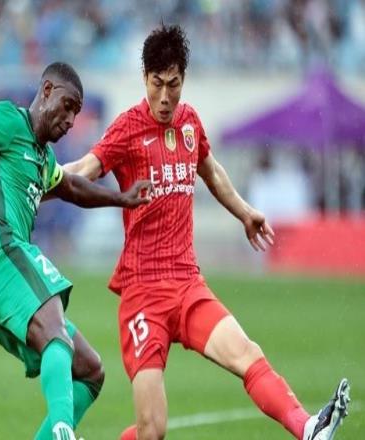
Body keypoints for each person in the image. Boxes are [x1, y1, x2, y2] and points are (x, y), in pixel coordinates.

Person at [63, 25, 350, 440]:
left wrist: (245, 212)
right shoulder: (127, 128)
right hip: (143, 293)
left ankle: (308, 428)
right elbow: (84, 169)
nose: (165, 96)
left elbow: (211, 171)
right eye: (157, 84)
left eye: (174, 84)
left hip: (187, 284)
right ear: (144, 78)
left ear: (184, 79)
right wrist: (42, 179)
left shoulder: (190, 123)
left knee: (246, 354)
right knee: (153, 430)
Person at [0, 62, 151, 440]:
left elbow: (71, 187)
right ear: (46, 91)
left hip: (5, 270)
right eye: (68, 106)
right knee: (56, 331)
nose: (71, 120)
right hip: (0, 253)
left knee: (90, 370)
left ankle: (55, 432)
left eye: (76, 112)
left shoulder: (43, 158)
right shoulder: (9, 121)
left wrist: (121, 198)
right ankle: (62, 431)